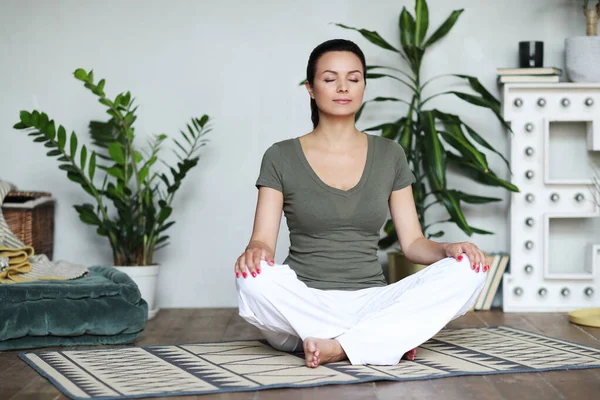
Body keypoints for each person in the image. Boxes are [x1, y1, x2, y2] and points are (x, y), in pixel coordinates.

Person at [234, 39, 488, 368]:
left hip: (372, 301)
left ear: (364, 86)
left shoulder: (390, 154)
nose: (343, 87)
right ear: (311, 88)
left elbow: (412, 243)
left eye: (353, 79)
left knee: (471, 267)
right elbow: (262, 241)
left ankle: (339, 346)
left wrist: (448, 249)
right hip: (301, 302)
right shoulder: (280, 156)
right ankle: (380, 339)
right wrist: (255, 251)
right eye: (330, 79)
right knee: (251, 279)